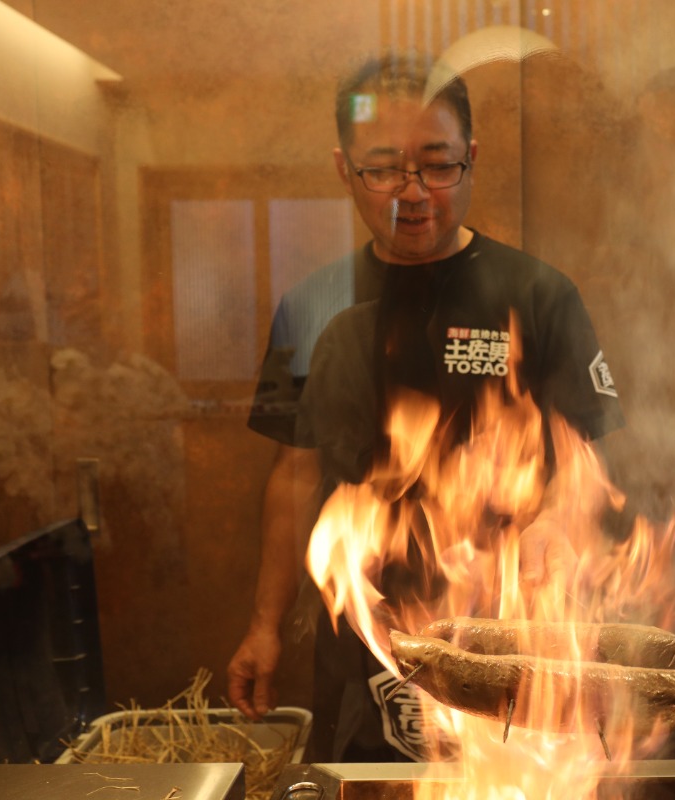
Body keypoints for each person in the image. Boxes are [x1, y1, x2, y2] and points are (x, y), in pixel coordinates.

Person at [227, 52, 624, 762]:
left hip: (510, 643)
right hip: (364, 647)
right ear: (344, 169)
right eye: (382, 168)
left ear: (470, 158)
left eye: (438, 165)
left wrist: (552, 538)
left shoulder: (538, 297)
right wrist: (264, 624)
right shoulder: (311, 306)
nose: (412, 193)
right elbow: (293, 476)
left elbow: (585, 464)